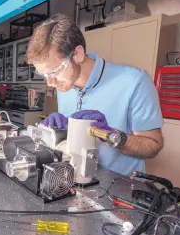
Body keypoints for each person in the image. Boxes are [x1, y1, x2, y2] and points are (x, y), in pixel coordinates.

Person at [26, 14, 163, 176]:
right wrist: (61, 130)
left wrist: (111, 135)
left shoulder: (134, 81)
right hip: (74, 181)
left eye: (54, 71)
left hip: (118, 190)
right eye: (44, 74)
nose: (49, 82)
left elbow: (153, 146)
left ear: (77, 54)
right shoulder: (65, 85)